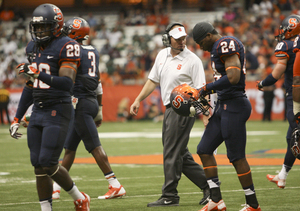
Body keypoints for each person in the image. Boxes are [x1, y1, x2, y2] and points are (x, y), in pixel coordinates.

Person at [8, 4, 90, 211]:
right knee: (37, 164)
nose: (39, 32)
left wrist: (37, 73)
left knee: (48, 161)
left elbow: (66, 83)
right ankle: (46, 209)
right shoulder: (32, 48)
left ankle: (80, 198)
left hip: (58, 108)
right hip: (38, 111)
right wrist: (17, 117)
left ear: (56, 26)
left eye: (44, 27)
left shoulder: (67, 45)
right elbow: (30, 86)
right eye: (37, 28)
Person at [130, 22, 210, 207]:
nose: (182, 41)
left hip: (183, 110)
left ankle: (170, 195)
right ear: (168, 39)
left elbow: (201, 89)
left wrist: (205, 113)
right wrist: (138, 99)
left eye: (184, 38)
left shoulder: (193, 60)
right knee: (180, 153)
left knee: (171, 152)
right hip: (169, 109)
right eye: (178, 38)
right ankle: (210, 186)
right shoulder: (162, 55)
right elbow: (152, 80)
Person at [52, 16, 126, 200]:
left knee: (94, 146)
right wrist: (99, 108)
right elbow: (98, 81)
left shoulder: (72, 51)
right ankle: (56, 187)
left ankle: (115, 185)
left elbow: (67, 79)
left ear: (74, 33)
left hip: (80, 103)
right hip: (91, 101)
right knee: (69, 148)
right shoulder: (93, 50)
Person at [193, 21, 261, 211]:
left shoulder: (225, 43)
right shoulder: (217, 47)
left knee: (236, 156)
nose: (200, 47)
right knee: (204, 149)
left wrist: (205, 89)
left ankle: (253, 204)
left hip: (235, 104)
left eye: (200, 42)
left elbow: (233, 77)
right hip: (224, 105)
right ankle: (216, 200)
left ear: (208, 35)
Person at [257, 14, 300, 189]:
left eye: (284, 28)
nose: (281, 32)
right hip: (295, 92)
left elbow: (278, 72)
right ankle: (282, 176)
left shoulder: (286, 45)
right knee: (291, 137)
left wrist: (263, 83)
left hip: (295, 94)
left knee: (297, 137)